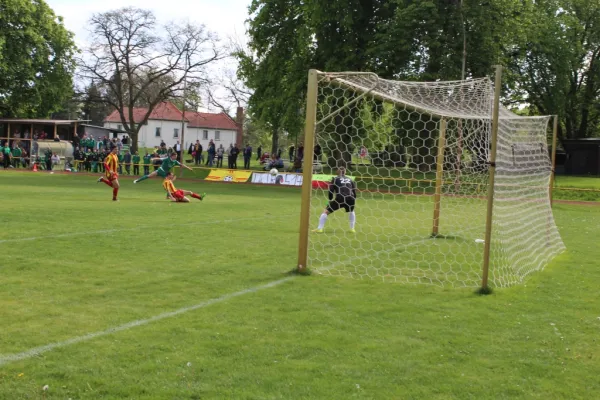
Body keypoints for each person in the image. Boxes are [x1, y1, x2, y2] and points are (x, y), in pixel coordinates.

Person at [313, 167, 357, 233]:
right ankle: (352, 229)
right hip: (351, 198)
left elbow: (331, 190)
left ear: (337, 172)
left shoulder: (335, 179)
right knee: (351, 211)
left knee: (326, 212)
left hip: (340, 198)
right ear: (345, 172)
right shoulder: (350, 179)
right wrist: (353, 199)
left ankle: (319, 229)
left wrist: (330, 199)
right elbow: (354, 191)